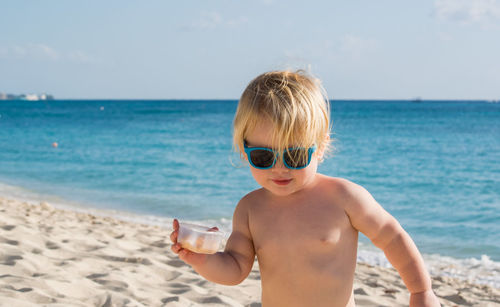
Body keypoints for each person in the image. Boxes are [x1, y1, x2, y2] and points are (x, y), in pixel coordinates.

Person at [170, 70, 440, 306]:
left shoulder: (345, 198)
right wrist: (202, 261)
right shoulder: (250, 209)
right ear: (245, 152)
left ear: (320, 148)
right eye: (263, 157)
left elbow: (392, 238)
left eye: (295, 155)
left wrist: (421, 290)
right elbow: (236, 268)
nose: (279, 168)